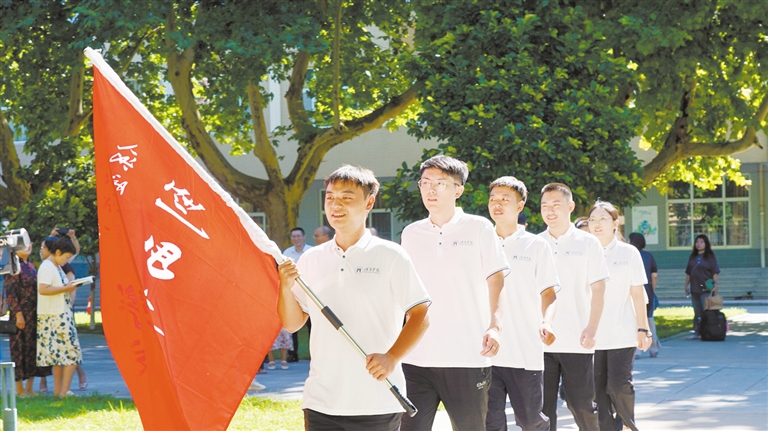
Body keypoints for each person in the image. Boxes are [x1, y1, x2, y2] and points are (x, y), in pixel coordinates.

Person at [277, 165, 431, 430]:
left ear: (369, 202)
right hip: (321, 401)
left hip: (377, 400)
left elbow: (421, 315)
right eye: (330, 197)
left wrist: (392, 357)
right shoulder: (311, 259)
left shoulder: (391, 255)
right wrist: (284, 286)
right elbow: (292, 324)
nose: (336, 205)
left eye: (346, 197)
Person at [400, 155, 509, 431]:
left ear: (458, 189)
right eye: (425, 183)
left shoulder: (479, 227)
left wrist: (495, 326)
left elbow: (496, 279)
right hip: (415, 358)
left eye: (440, 183)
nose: (431, 189)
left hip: (467, 356)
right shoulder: (410, 234)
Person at [486, 176, 559, 431]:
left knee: (531, 422)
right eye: (493, 199)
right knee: (489, 424)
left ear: (520, 205)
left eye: (504, 199)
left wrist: (547, 322)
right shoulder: (481, 243)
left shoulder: (536, 245)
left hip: (525, 351)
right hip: (486, 353)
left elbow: (549, 293)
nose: (497, 204)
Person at [538, 183, 609, 431]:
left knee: (582, 407)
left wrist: (592, 328)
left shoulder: (588, 243)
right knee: (541, 411)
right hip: (541, 342)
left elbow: (599, 290)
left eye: (556, 205)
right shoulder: (535, 244)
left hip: (577, 340)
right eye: (545, 206)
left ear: (570, 206)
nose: (550, 211)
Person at [588, 201, 652, 431]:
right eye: (592, 220)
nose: (596, 224)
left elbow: (637, 293)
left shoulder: (628, 253)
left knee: (618, 385)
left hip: (622, 332)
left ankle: (627, 424)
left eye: (603, 219)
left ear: (615, 223)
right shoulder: (584, 253)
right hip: (591, 336)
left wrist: (643, 328)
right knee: (596, 391)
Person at [2, 242, 52, 396]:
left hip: (34, 313)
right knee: (19, 351)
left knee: (32, 350)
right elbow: (10, 293)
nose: (28, 246)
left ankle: (30, 387)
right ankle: (19, 388)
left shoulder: (30, 266)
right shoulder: (12, 266)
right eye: (24, 244)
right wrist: (18, 314)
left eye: (29, 243)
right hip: (20, 314)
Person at [41, 232, 88, 391]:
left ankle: (59, 392)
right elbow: (43, 289)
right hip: (56, 315)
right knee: (71, 355)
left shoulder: (57, 266)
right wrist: (66, 288)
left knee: (61, 356)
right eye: (66, 257)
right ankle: (62, 392)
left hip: (61, 313)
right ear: (58, 252)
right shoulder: (47, 266)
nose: (67, 260)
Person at [283, 227, 313, 362]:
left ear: (304, 237)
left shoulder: (311, 252)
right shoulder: (287, 253)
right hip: (294, 292)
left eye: (298, 236)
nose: (296, 239)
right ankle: (293, 354)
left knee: (312, 325)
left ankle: (313, 353)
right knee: (293, 324)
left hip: (309, 292)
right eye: (294, 236)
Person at [629, 232, 661, 358]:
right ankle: (654, 348)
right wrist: (652, 290)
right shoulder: (649, 256)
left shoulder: (629, 254)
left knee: (635, 320)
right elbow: (654, 275)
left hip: (633, 291)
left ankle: (637, 350)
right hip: (648, 290)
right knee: (650, 319)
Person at [683, 234, 720, 340]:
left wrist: (716, 285)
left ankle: (709, 331)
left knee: (707, 311)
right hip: (695, 288)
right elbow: (689, 272)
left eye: (701, 242)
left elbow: (714, 272)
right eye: (697, 242)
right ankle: (697, 331)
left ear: (706, 244)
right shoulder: (693, 256)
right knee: (697, 311)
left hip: (706, 288)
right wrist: (686, 285)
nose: (699, 244)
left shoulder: (710, 256)